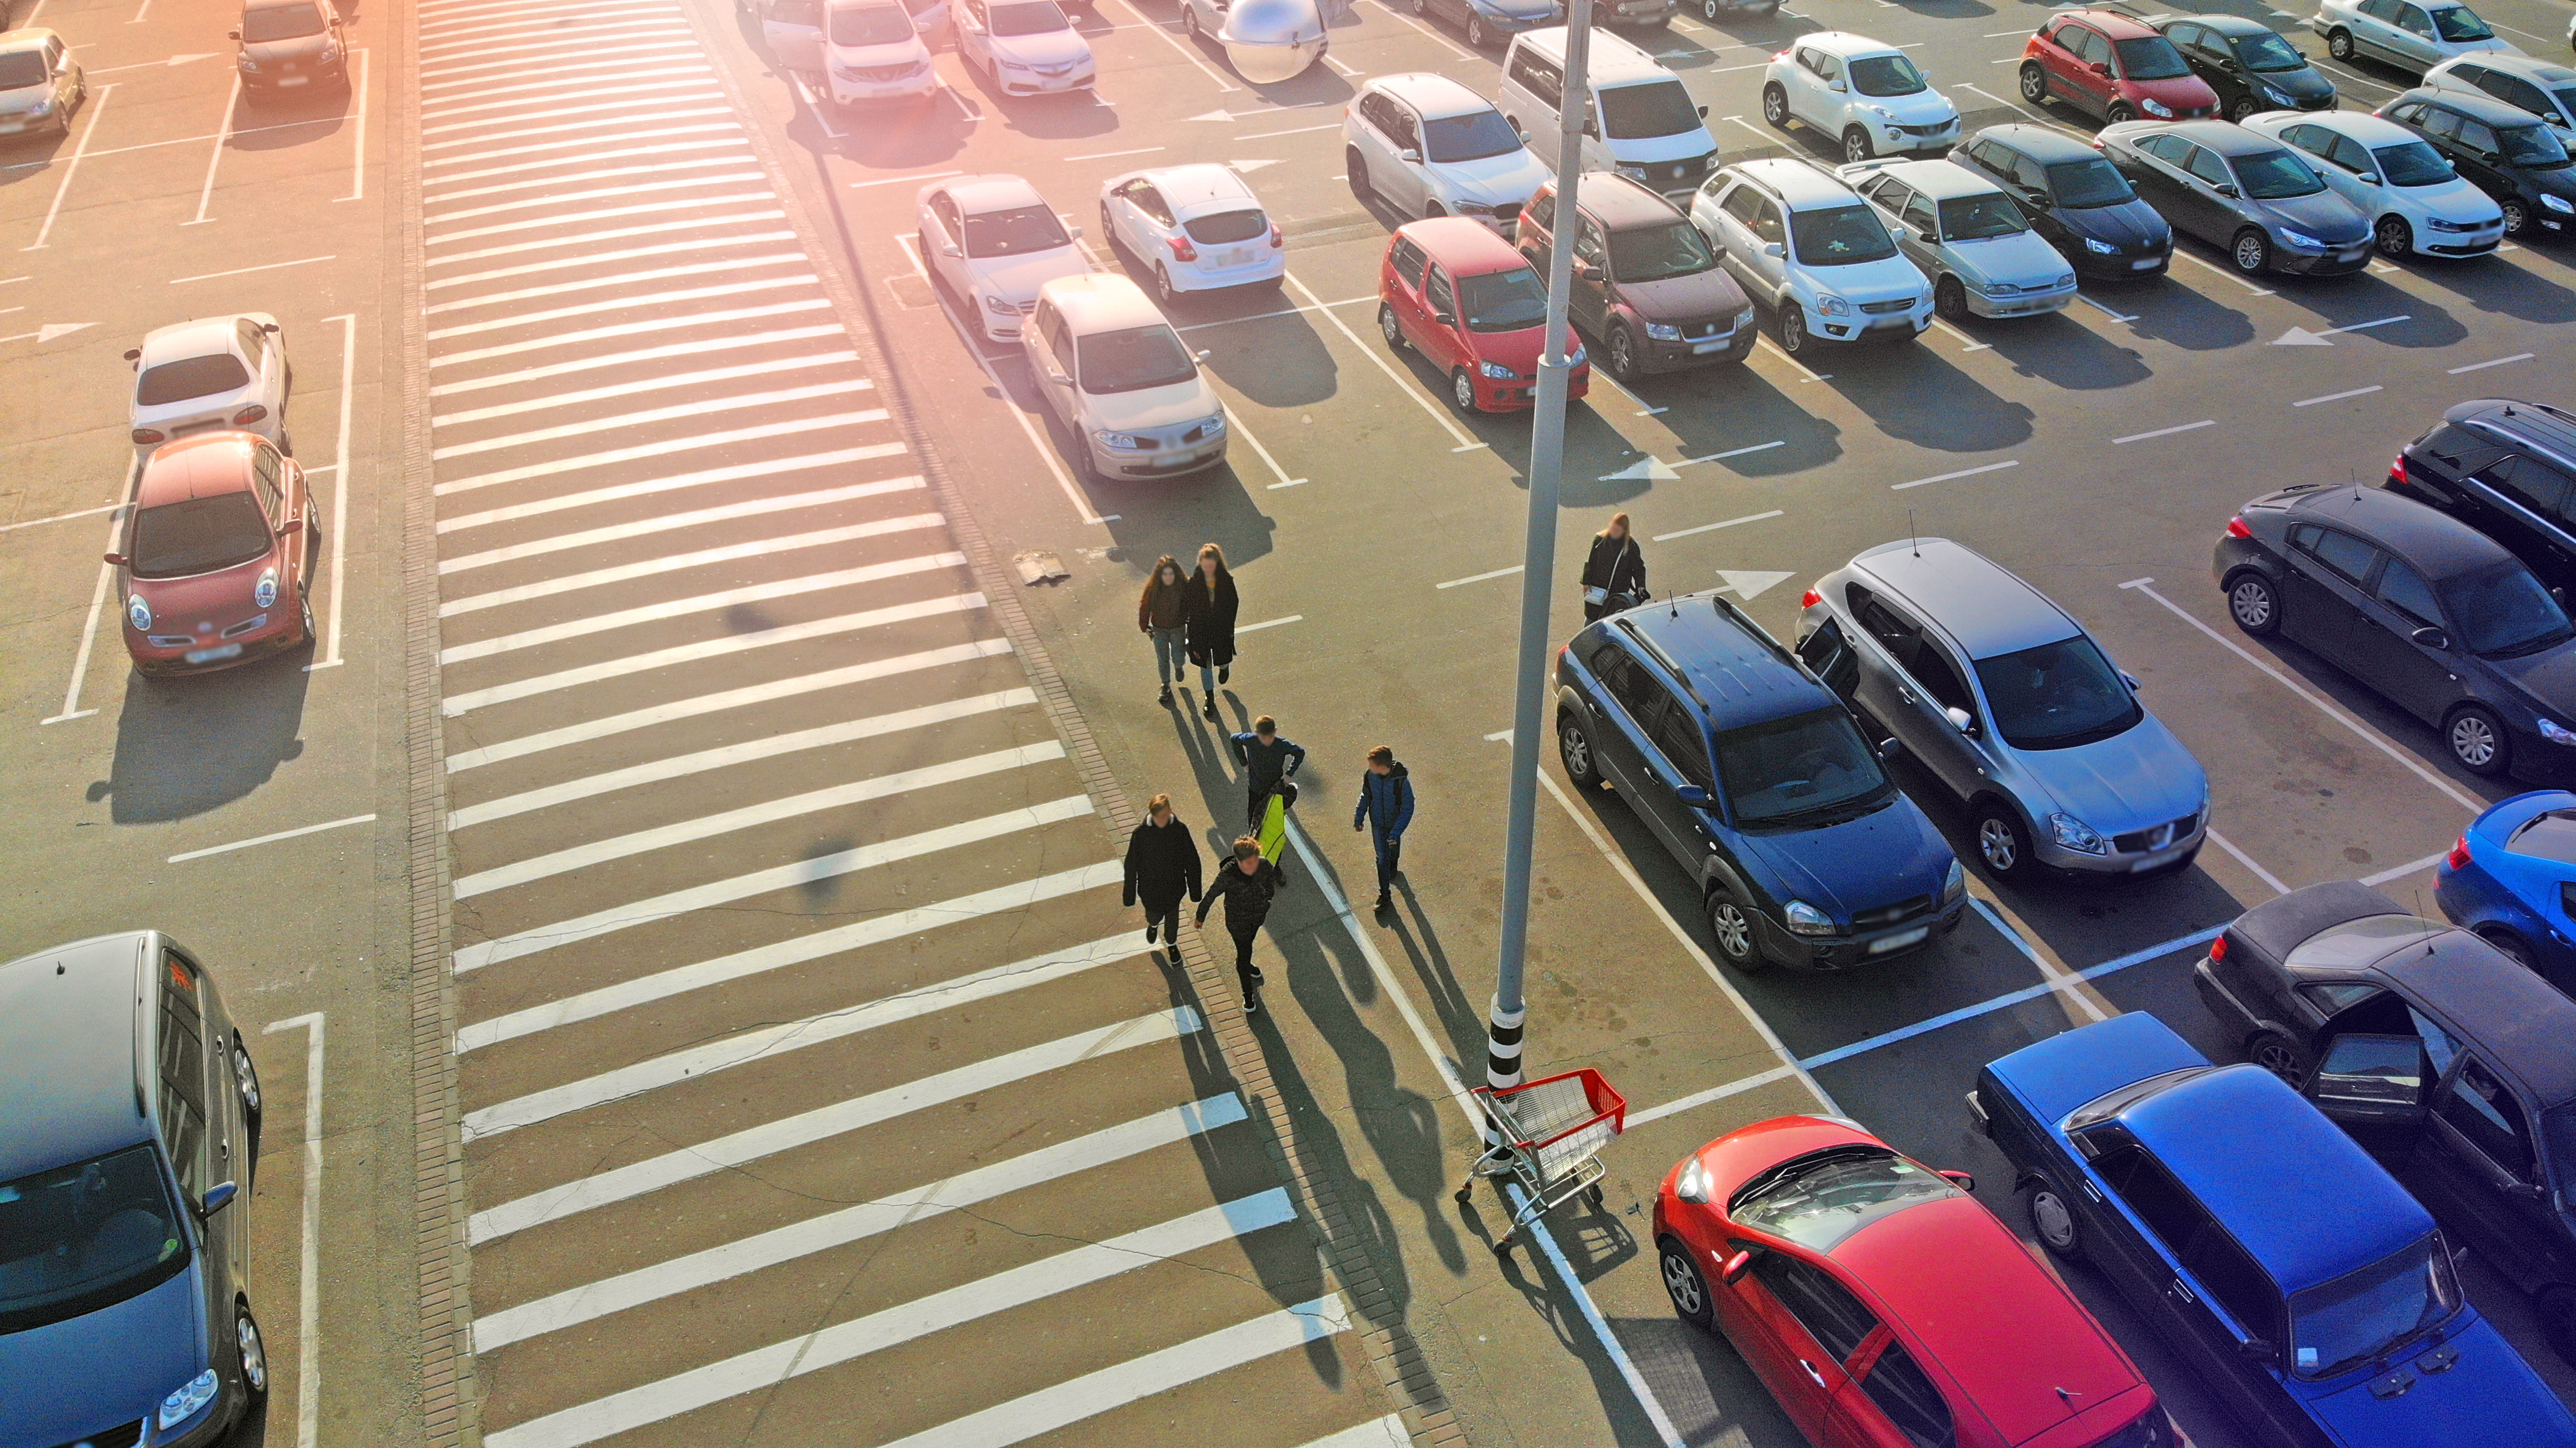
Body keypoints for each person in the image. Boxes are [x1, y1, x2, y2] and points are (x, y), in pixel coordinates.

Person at [1197, 836, 1288, 1015]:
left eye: (1255, 861)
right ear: (1238, 861)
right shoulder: (1228, 875)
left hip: (1256, 917)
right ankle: (1248, 995)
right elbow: (1211, 894)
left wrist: (1267, 898)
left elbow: (1270, 882)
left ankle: (1246, 965)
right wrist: (1200, 916)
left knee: (1247, 949)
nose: (1253, 867)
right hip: (1238, 923)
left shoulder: (1263, 865)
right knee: (1243, 953)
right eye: (1248, 863)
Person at [1123, 793, 1202, 953]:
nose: (1162, 820)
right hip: (1150, 890)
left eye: (1165, 816)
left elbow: (1192, 861)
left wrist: (1195, 892)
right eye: (1159, 817)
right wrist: (1129, 896)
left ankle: (1172, 945)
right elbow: (1131, 866)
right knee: (1154, 915)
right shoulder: (1141, 834)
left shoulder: (1180, 831)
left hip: (1174, 887)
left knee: (1172, 918)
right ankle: (1153, 925)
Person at [1181, 542, 1240, 722]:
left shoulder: (1225, 580)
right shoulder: (1195, 582)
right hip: (1200, 630)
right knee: (1205, 665)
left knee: (1222, 657)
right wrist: (1187, 621)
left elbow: (1233, 603)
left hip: (1220, 629)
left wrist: (1228, 624)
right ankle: (1210, 697)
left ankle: (1224, 667)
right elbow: (1186, 603)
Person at [1352, 745, 1414, 912]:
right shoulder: (1370, 776)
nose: (1370, 768)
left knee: (1393, 851)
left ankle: (1393, 865)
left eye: (1373, 765)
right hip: (1378, 825)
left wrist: (1396, 832)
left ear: (1383, 767)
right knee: (1381, 859)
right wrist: (1359, 816)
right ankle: (1385, 895)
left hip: (1394, 826)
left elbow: (1408, 808)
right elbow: (1366, 795)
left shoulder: (1401, 782)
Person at [1231, 714, 1306, 829]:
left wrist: (1289, 774)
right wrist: (1244, 763)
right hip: (1255, 788)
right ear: (1256, 733)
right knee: (1252, 819)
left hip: (1274, 789)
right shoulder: (1251, 740)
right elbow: (1234, 739)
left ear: (1275, 731)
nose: (1267, 741)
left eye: (1270, 737)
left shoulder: (1281, 745)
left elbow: (1300, 753)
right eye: (1263, 737)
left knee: (1272, 818)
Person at [1137, 555, 1188, 706]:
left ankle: (1179, 667)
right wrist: (1144, 626)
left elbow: (1191, 603)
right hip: (1159, 629)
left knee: (1178, 656)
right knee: (1163, 659)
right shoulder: (1153, 588)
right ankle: (1165, 685)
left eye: (1171, 574)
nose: (1168, 577)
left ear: (1176, 574)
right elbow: (1144, 606)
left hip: (1178, 628)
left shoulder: (1183, 587)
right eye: (1165, 574)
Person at [1580, 513, 1647, 622]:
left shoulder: (1631, 546)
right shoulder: (1600, 540)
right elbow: (1590, 562)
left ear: (1624, 531)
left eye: (1617, 530)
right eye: (1612, 529)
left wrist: (1641, 586)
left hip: (1616, 593)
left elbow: (1638, 568)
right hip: (1596, 590)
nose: (1613, 532)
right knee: (1591, 619)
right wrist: (1586, 583)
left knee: (1611, 621)